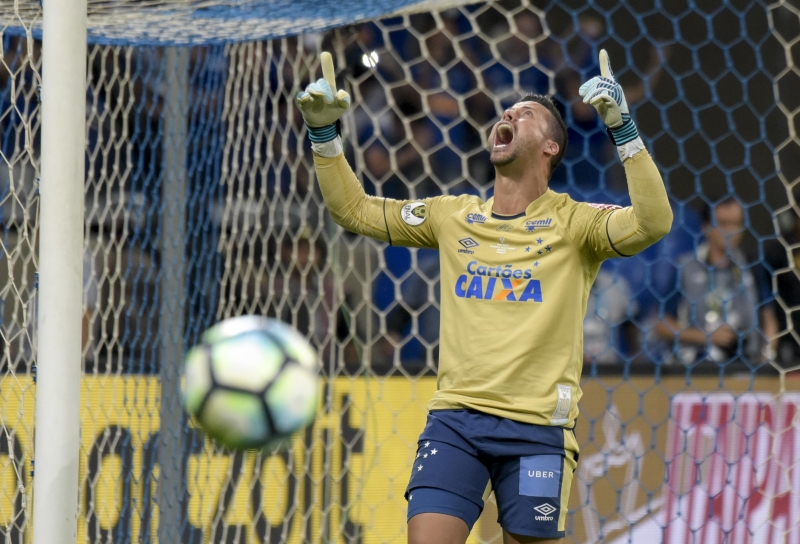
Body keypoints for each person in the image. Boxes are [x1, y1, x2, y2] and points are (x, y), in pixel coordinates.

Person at [296, 50, 672, 543]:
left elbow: (654, 222)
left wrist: (623, 130)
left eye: (527, 114)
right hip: (456, 421)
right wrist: (325, 137)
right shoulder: (453, 215)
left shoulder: (576, 223)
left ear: (550, 148)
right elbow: (356, 211)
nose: (510, 114)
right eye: (507, 111)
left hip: (536, 429)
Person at [653, 198, 778, 367]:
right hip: (696, 368)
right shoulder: (685, 268)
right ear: (706, 228)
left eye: (736, 224)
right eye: (723, 224)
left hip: (746, 367)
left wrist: (767, 359)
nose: (730, 232)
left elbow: (769, 318)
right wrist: (706, 336)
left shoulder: (752, 267)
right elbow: (661, 325)